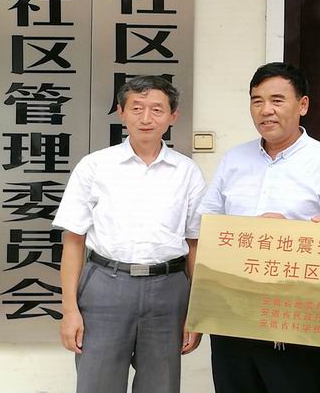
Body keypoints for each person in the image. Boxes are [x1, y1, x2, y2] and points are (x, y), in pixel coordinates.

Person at [196, 62, 320, 393]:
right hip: (235, 313)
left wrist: (293, 234)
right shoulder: (234, 160)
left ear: (302, 105)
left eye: (277, 100)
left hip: (299, 320)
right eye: (256, 101)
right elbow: (207, 227)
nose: (265, 110)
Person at [53, 75, 206, 393]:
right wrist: (69, 310)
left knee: (160, 386)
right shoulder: (95, 166)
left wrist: (196, 312)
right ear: (121, 113)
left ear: (173, 116)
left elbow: (194, 243)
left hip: (169, 291)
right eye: (136, 108)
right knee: (97, 385)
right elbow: (73, 240)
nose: (146, 118)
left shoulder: (187, 171)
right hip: (105, 287)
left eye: (157, 109)